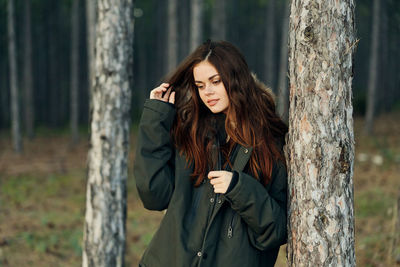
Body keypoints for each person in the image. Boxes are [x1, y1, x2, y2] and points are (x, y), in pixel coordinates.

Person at [134, 40, 288, 267]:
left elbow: (276, 231)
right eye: (200, 85)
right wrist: (155, 121)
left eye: (215, 81)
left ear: (237, 79)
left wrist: (240, 189)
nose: (208, 92)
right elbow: (154, 196)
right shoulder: (191, 132)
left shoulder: (270, 142)